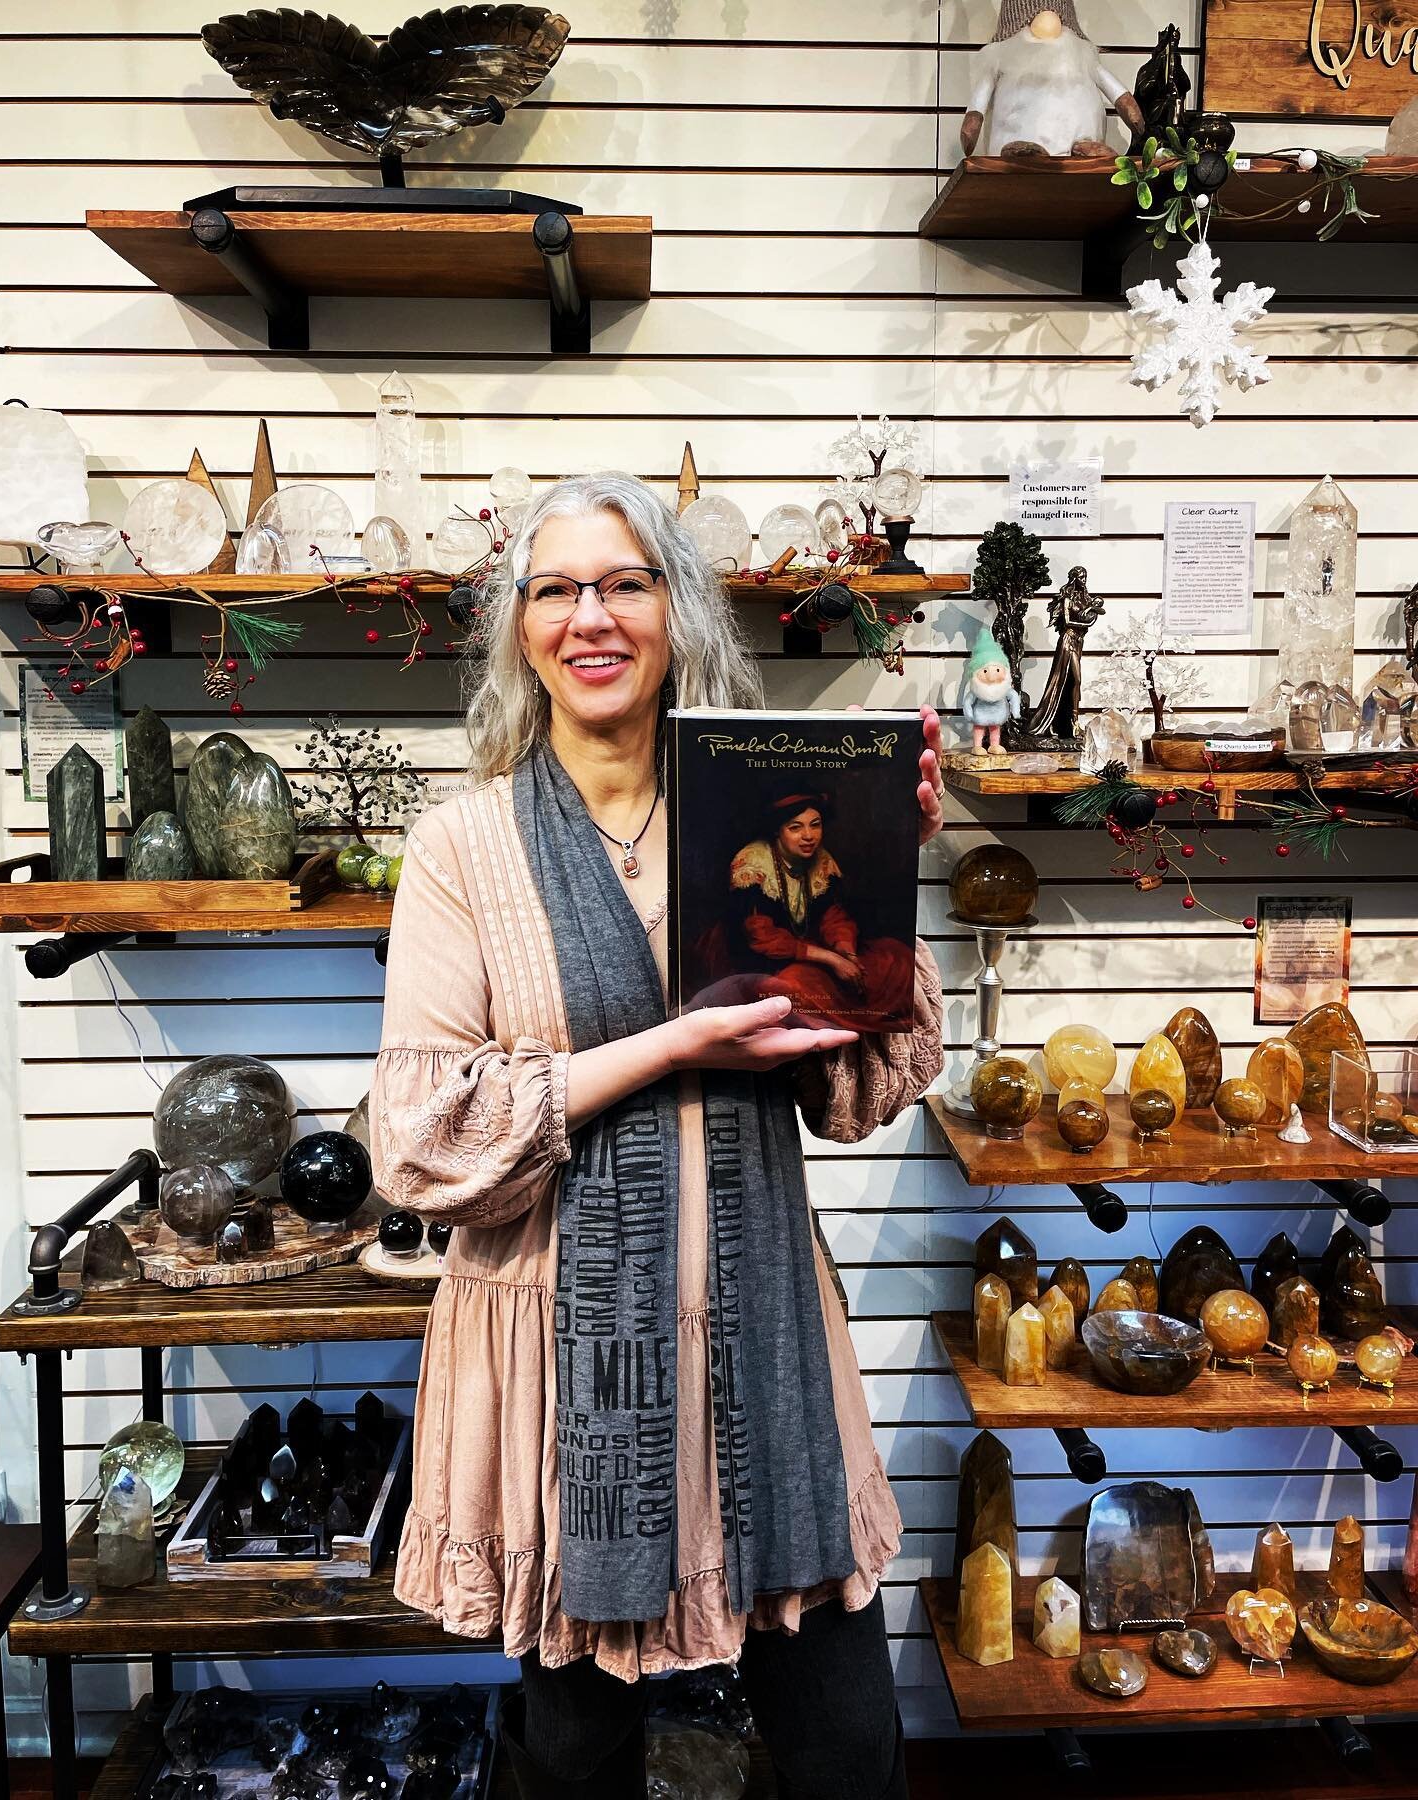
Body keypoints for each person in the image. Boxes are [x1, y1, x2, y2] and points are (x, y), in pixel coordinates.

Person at [371, 473, 945, 1800]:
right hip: (567, 1374)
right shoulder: (464, 848)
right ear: (520, 628)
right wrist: (677, 1045)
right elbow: (419, 1137)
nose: (593, 616)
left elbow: (854, 1088)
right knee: (577, 1753)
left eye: (626, 582)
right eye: (558, 588)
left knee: (847, 1744)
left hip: (767, 1350)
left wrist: (883, 865)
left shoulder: (765, 819)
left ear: (675, 612)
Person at [693, 788, 915, 1032]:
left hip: (808, 948)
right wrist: (833, 960)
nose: (808, 836)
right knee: (796, 987)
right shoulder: (752, 863)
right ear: (777, 829)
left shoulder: (822, 860)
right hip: (752, 957)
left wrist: (848, 955)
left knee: (896, 958)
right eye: (795, 827)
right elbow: (761, 938)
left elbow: (834, 917)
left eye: (815, 825)